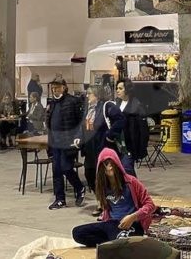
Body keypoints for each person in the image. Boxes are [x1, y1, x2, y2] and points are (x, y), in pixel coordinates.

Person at [71, 148, 156, 247]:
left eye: (112, 164)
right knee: (77, 233)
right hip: (111, 224)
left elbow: (150, 205)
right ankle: (112, 244)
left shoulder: (131, 182)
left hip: (132, 224)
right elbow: (106, 210)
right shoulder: (102, 186)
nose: (110, 167)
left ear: (117, 164)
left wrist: (133, 217)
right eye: (106, 164)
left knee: (121, 242)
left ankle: (115, 243)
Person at [80, 85, 123, 217]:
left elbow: (120, 120)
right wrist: (79, 138)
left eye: (89, 93)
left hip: (103, 147)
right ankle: (100, 201)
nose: (87, 96)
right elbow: (83, 126)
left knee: (105, 176)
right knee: (89, 174)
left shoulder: (107, 106)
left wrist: (110, 135)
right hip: (90, 148)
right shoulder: (88, 108)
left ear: (97, 95)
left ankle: (107, 205)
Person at [47, 77, 85, 210]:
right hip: (55, 142)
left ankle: (79, 187)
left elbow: (80, 122)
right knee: (56, 171)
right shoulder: (52, 103)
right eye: (53, 88)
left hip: (68, 142)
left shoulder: (73, 101)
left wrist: (78, 138)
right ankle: (60, 199)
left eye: (57, 87)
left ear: (64, 87)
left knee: (66, 168)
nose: (54, 90)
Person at [115, 79, 148, 177]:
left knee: (127, 169)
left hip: (129, 144)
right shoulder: (117, 103)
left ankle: (135, 186)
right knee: (121, 170)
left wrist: (142, 146)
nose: (117, 90)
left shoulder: (136, 105)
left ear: (127, 90)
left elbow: (143, 128)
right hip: (117, 143)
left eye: (120, 88)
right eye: (117, 88)